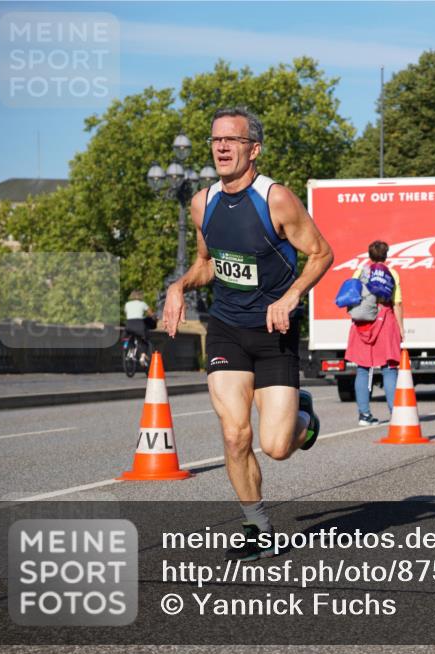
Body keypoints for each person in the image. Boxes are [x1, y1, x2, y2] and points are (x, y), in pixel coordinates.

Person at [161, 106, 331, 561]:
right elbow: (208, 262)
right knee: (235, 435)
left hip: (274, 332)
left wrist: (292, 295)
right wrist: (178, 285)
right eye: (216, 140)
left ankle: (304, 417)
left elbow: (320, 253)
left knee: (276, 447)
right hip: (227, 329)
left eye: (232, 140)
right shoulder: (203, 202)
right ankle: (256, 523)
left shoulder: (275, 198)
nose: (221, 147)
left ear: (253, 149)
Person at [346, 241, 404, 425]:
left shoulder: (359, 272)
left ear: (369, 254)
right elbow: (397, 303)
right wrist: (401, 327)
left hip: (362, 322)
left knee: (362, 369)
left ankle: (364, 415)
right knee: (389, 368)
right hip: (385, 320)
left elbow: (352, 296)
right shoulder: (392, 273)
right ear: (386, 255)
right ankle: (396, 413)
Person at [124, 290, 155, 366]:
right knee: (144, 341)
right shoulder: (142, 304)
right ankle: (142, 356)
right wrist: (153, 316)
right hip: (139, 324)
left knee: (130, 337)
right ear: (140, 296)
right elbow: (150, 314)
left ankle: (131, 353)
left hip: (129, 324)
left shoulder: (127, 304)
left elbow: (127, 313)